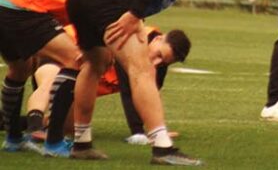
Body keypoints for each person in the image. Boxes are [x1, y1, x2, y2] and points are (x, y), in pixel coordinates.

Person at [47, 0, 240, 165]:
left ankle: (82, 142)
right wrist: (134, 13)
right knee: (142, 68)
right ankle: (162, 148)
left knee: (95, 63)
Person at [0, 0, 153, 153]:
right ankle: (53, 142)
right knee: (77, 61)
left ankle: (12, 139)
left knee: (20, 69)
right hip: (27, 8)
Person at [27, 26, 190, 146]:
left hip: (78, 79)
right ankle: (34, 127)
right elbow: (129, 90)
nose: (156, 63)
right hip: (64, 50)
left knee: (66, 127)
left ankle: (16, 123)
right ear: (157, 39)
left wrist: (157, 128)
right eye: (159, 55)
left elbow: (149, 97)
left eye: (163, 63)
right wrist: (138, 132)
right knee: (49, 81)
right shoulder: (134, 41)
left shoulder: (156, 65)